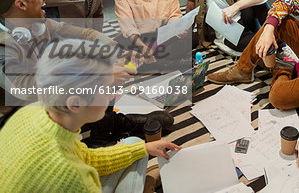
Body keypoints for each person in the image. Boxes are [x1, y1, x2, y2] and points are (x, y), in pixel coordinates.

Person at [0, 0, 173, 147]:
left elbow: (84, 35)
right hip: (26, 119)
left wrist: (118, 52)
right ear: (21, 4)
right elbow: (28, 90)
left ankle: (104, 125)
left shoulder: (36, 23)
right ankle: (98, 131)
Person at [0, 38, 181, 192]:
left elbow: (84, 157)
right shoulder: (74, 177)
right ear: (76, 103)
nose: (112, 95)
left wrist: (144, 149)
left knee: (137, 145)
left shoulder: (34, 111)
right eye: (107, 89)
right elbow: (78, 166)